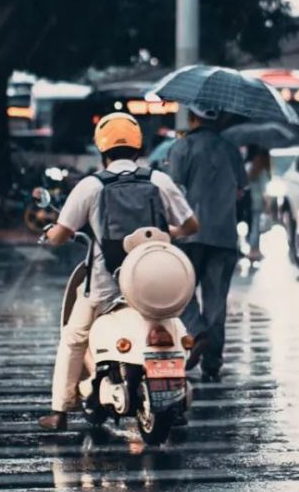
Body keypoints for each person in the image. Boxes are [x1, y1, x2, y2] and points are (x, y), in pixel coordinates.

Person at [38, 113, 199, 431]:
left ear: (102, 149)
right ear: (138, 148)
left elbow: (60, 234)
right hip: (155, 281)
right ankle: (173, 395)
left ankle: (59, 411)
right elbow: (191, 225)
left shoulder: (90, 186)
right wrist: (165, 235)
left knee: (73, 337)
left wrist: (50, 234)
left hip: (106, 284)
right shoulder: (159, 181)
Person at [167, 107, 248, 382]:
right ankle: (212, 363)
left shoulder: (182, 147)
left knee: (179, 292)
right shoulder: (231, 149)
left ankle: (196, 330)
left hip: (188, 234)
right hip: (224, 235)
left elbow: (173, 191)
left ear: (192, 118)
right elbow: (241, 191)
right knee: (216, 301)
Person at [245, 145, 271, 261]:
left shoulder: (250, 168)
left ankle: (254, 249)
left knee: (253, 226)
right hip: (258, 201)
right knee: (256, 227)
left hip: (249, 201)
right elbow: (265, 190)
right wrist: (268, 204)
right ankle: (254, 250)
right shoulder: (263, 171)